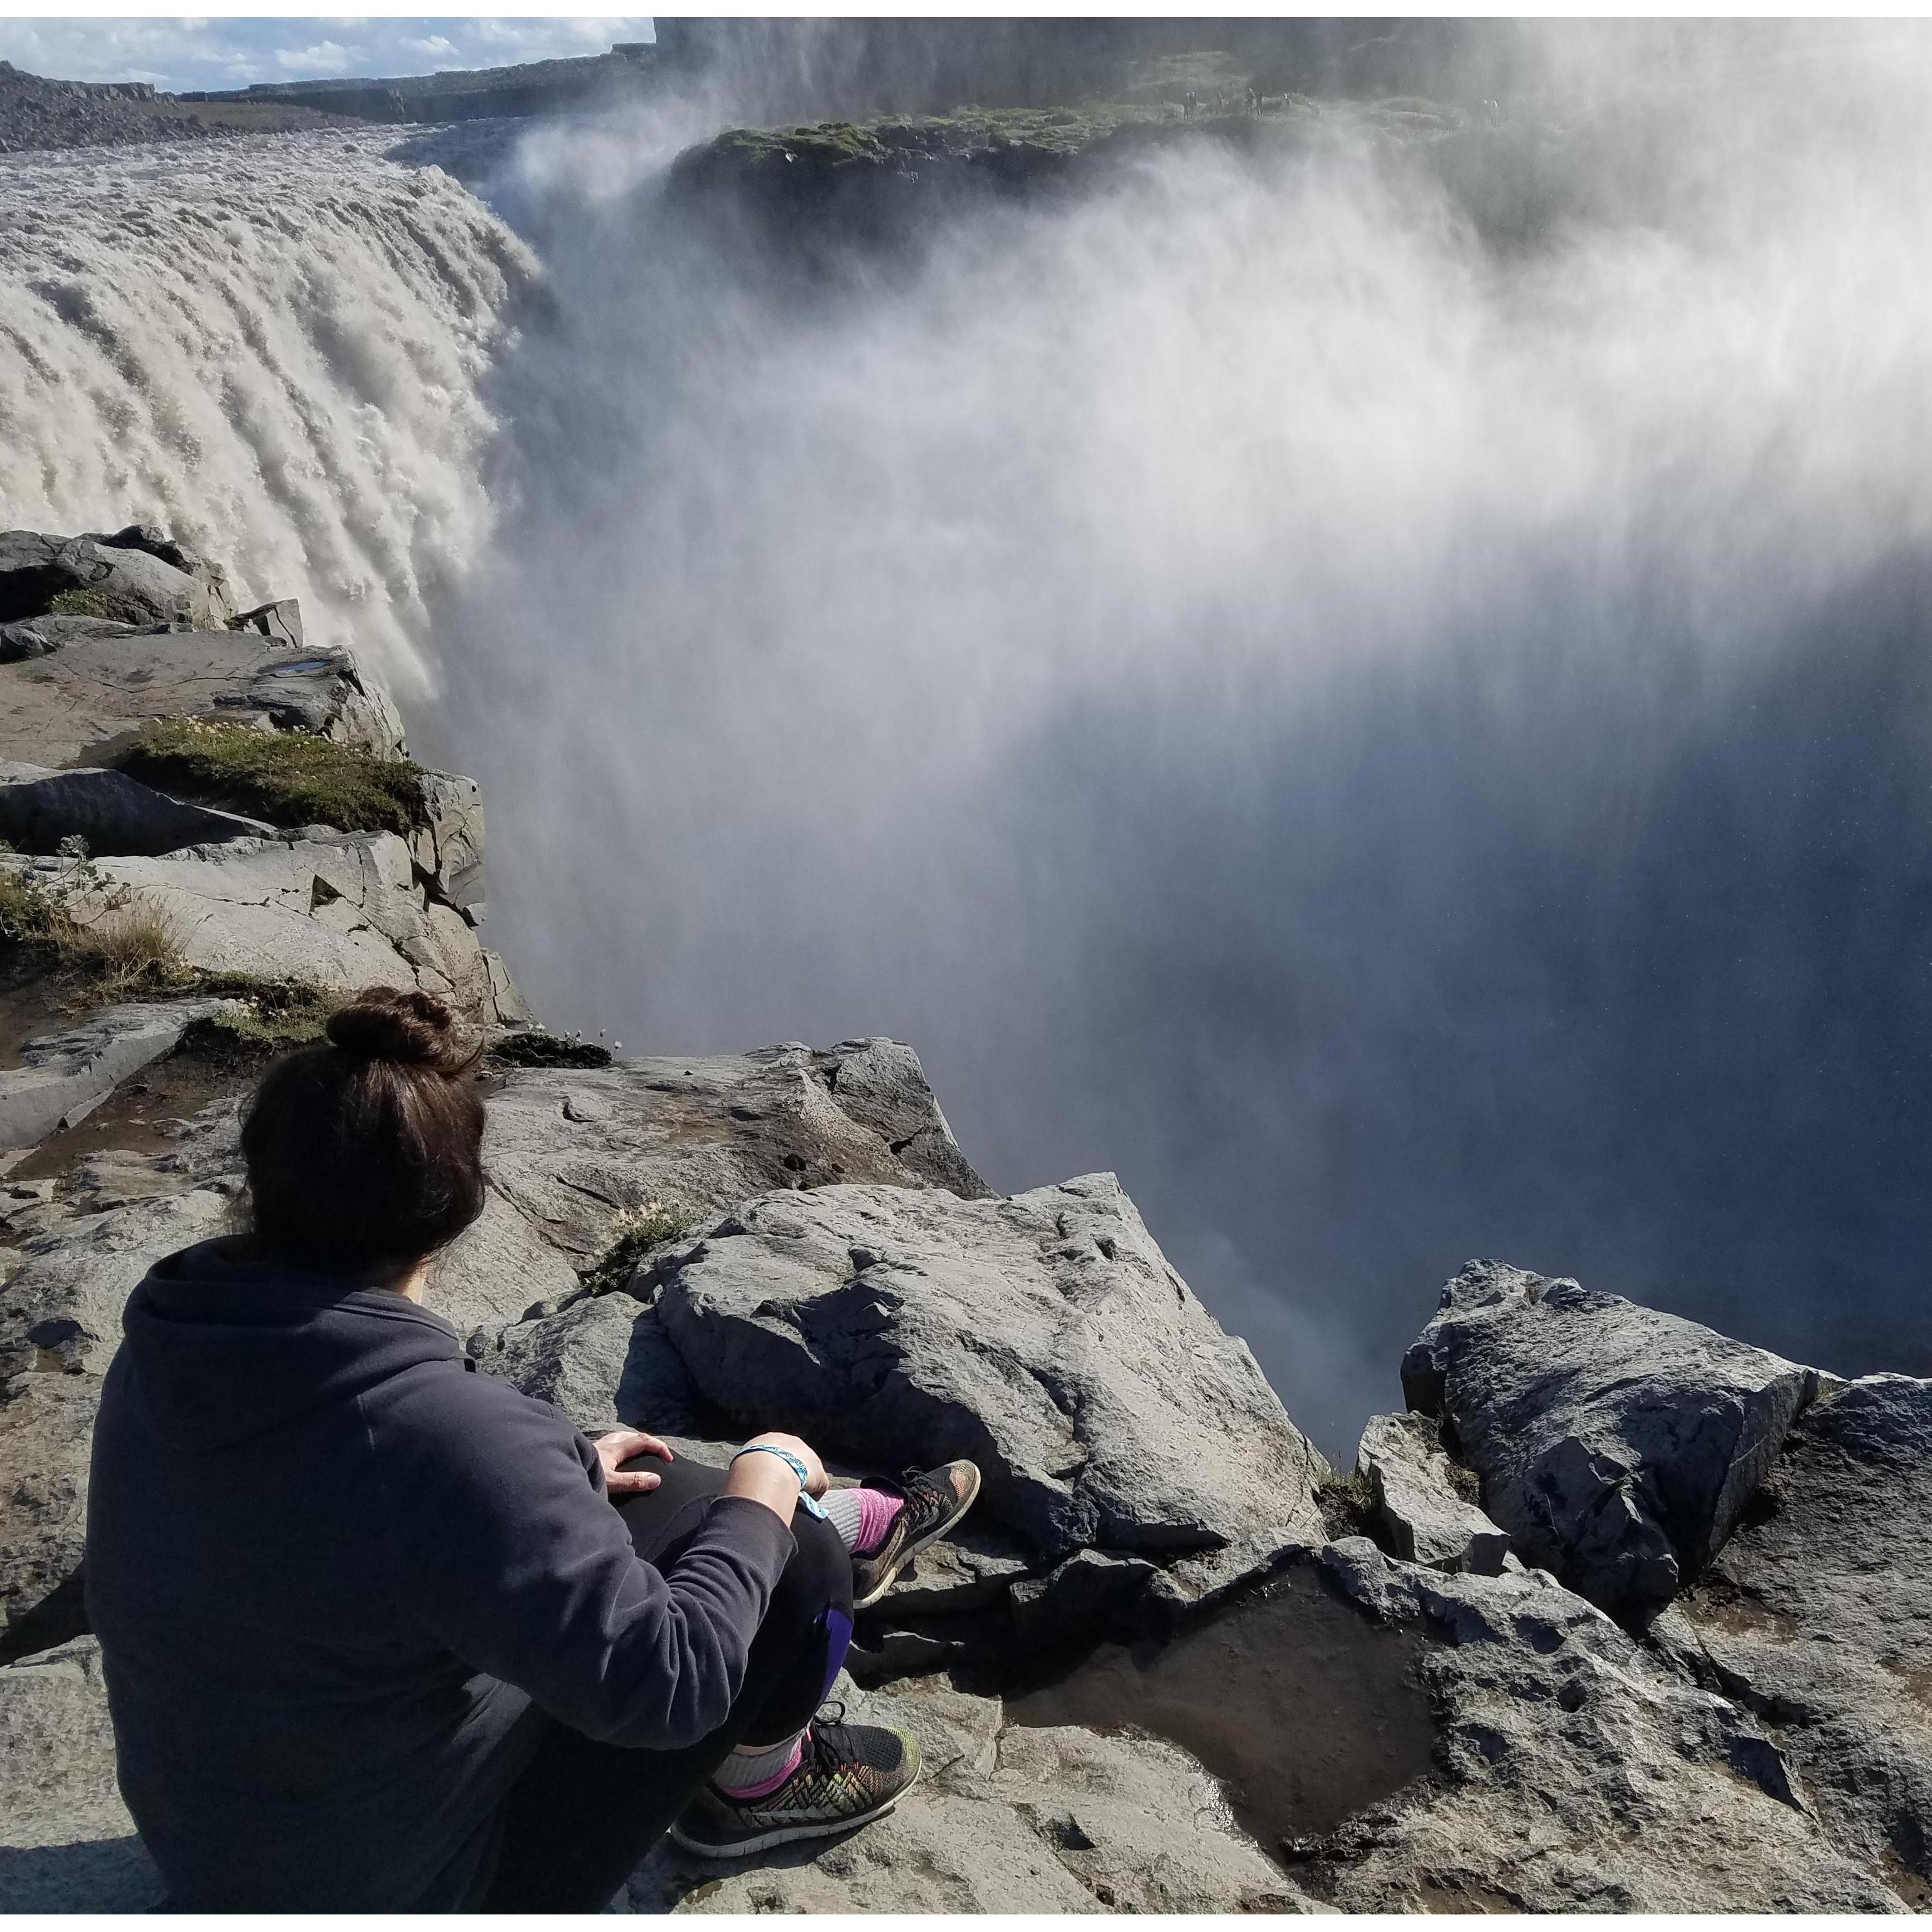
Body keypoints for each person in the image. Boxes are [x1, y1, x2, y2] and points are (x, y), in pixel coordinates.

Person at [83, 986, 981, 1911]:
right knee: (796, 1556)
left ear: (260, 1183)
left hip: (227, 1841)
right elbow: (671, 1685)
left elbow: (323, 1522)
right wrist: (765, 1484)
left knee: (655, 1488)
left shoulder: (167, 1350)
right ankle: (753, 1782)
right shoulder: (444, 1444)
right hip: (412, 1889)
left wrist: (552, 1475)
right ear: (460, 1208)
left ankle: (827, 1519)